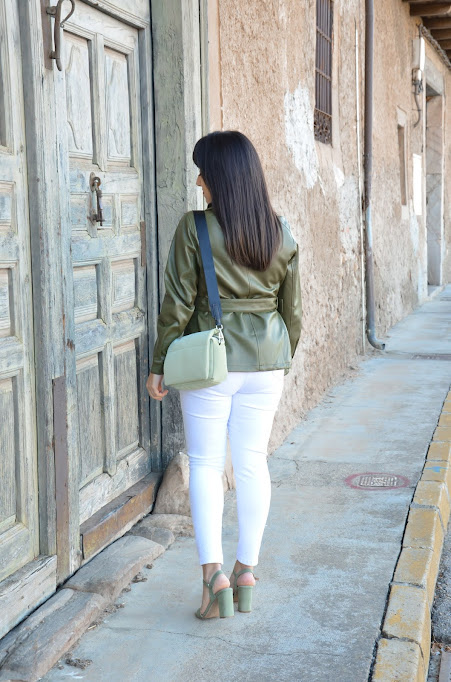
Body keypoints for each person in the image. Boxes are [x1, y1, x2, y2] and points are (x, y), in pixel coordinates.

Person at [146, 130, 302, 620]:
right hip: (267, 364)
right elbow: (293, 313)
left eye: (203, 172)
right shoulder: (281, 232)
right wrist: (279, 360)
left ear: (221, 177)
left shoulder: (194, 228)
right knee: (253, 463)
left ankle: (214, 579)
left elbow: (177, 303)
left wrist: (160, 363)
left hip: (211, 363)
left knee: (207, 466)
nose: (198, 181)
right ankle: (246, 572)